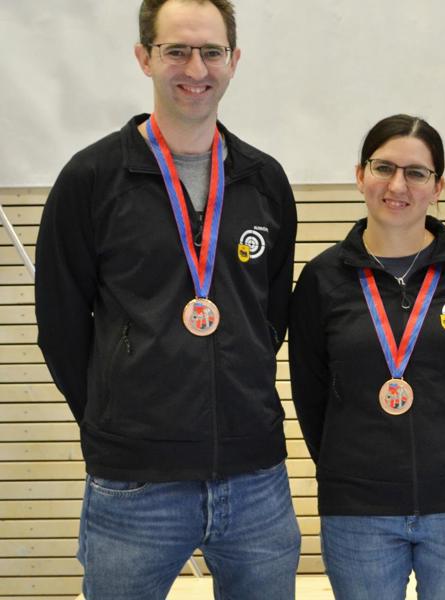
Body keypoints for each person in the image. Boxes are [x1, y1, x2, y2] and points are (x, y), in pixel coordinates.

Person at [34, 0, 300, 597]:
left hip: (254, 476)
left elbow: (269, 315)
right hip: (134, 483)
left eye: (211, 51)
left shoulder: (264, 180)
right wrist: (118, 417)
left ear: (234, 61)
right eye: (175, 50)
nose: (195, 68)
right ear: (144, 58)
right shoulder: (92, 179)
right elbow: (60, 324)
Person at [289, 114, 445, 600]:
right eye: (383, 167)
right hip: (358, 509)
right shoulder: (322, 279)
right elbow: (310, 392)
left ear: (438, 186)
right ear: (359, 174)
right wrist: (349, 464)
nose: (398, 185)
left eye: (416, 172)